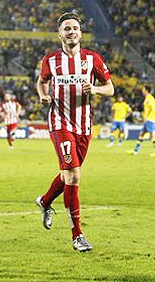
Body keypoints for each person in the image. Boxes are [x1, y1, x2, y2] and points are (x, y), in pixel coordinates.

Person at [35, 12, 114, 252]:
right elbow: (42, 81)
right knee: (74, 176)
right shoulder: (50, 60)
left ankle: (45, 201)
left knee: (68, 175)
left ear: (80, 33)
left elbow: (110, 88)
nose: (71, 32)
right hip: (60, 123)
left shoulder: (93, 59)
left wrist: (96, 89)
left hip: (84, 126)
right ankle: (77, 235)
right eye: (67, 28)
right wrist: (43, 95)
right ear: (60, 34)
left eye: (75, 28)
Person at [127, 87, 155, 156]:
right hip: (148, 119)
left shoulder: (150, 98)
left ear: (146, 90)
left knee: (152, 135)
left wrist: (148, 117)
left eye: (143, 89)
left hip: (150, 119)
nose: (142, 91)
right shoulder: (147, 98)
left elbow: (154, 108)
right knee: (142, 134)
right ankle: (136, 151)